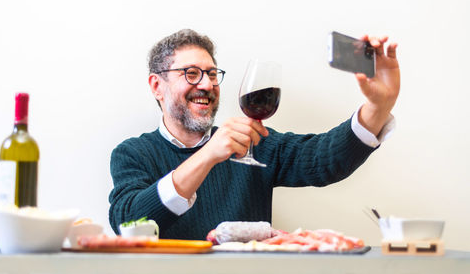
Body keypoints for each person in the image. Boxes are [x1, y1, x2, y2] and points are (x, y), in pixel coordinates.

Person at [108, 29, 400, 240]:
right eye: (191, 73)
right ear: (157, 86)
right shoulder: (133, 154)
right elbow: (128, 221)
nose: (207, 84)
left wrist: (379, 105)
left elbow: (325, 159)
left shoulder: (252, 142)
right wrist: (208, 155)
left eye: (212, 74)